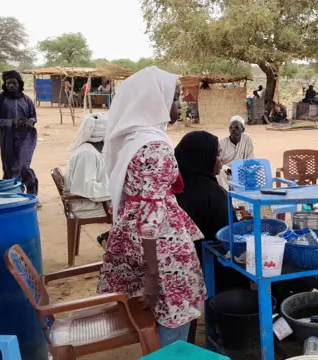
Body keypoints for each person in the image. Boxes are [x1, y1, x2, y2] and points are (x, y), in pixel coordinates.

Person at [97, 66, 206, 347]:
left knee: (154, 319)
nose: (181, 104)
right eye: (175, 97)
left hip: (140, 243)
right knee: (172, 319)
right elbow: (150, 210)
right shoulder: (154, 147)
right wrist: (153, 275)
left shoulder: (135, 140)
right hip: (161, 251)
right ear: (154, 102)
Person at [175, 131, 250, 290]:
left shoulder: (175, 189)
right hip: (216, 269)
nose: (221, 160)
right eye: (216, 155)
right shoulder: (212, 193)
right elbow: (230, 236)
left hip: (184, 268)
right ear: (203, 158)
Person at [0, 70, 40, 205]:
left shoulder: (26, 100)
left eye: (14, 83)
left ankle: (32, 193)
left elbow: (33, 116)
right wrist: (11, 122)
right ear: (5, 84)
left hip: (27, 136)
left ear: (19, 84)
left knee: (23, 164)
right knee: (9, 166)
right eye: (8, 83)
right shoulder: (0, 99)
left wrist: (30, 121)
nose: (11, 86)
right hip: (7, 136)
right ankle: (11, 196)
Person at [64, 113, 110, 219]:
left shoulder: (94, 151)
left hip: (93, 202)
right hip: (86, 207)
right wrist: (114, 190)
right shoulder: (87, 154)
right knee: (134, 212)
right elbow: (86, 188)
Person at [216, 116, 255, 190]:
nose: (233, 130)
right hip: (227, 173)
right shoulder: (222, 143)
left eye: (236, 127)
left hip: (242, 172)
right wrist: (228, 169)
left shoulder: (246, 139)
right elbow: (218, 162)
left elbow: (250, 159)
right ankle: (225, 199)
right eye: (231, 128)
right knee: (220, 173)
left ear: (242, 129)